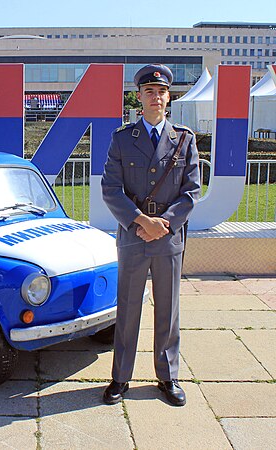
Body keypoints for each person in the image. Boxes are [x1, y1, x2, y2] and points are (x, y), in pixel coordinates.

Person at [101, 64, 201, 407]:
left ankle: (168, 376)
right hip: (133, 236)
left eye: (161, 92)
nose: (155, 97)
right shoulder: (121, 139)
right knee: (127, 308)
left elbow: (191, 192)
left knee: (168, 309)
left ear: (168, 97)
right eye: (149, 92)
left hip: (168, 239)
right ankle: (120, 377)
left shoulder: (184, 139)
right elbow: (111, 189)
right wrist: (141, 220)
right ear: (139, 97)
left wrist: (165, 223)